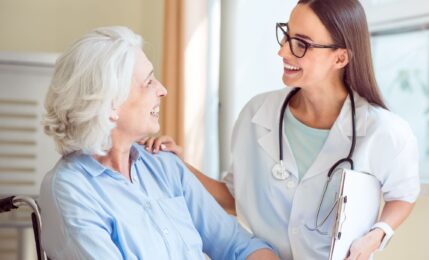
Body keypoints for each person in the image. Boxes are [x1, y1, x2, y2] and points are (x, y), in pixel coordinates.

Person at [145, 0, 420, 259]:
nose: (283, 51)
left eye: (301, 44)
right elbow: (234, 197)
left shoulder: (382, 130)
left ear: (340, 58)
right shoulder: (257, 115)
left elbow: (403, 196)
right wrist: (179, 166)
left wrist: (378, 233)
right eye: (287, 36)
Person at [39, 26, 279, 260]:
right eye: (148, 82)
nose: (162, 90)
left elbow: (237, 245)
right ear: (111, 103)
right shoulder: (72, 188)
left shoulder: (164, 166)